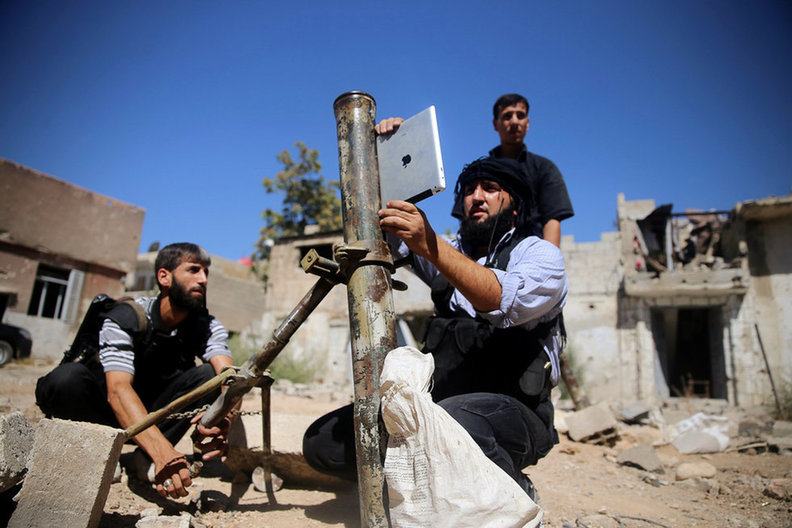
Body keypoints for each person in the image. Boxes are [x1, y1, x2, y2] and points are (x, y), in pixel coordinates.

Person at [302, 157, 568, 499]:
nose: (477, 197)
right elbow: (385, 229)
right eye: (470, 189)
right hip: (438, 405)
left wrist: (430, 244)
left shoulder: (540, 255)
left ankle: (514, 492)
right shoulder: (449, 252)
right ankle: (416, 490)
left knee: (457, 422)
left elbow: (501, 299)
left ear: (514, 205)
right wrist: (385, 150)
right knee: (325, 441)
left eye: (490, 188)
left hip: (512, 413)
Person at [35, 242, 236, 500]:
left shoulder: (207, 325)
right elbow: (118, 390)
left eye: (206, 272)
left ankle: (142, 458)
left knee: (209, 377)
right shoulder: (127, 316)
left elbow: (230, 376)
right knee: (65, 379)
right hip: (104, 411)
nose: (203, 279)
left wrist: (226, 415)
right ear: (164, 276)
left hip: (153, 413)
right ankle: (96, 451)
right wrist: (164, 453)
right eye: (194, 270)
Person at [375, 93, 574, 247]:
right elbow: (465, 223)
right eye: (507, 116)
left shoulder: (544, 169)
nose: (514, 121)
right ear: (496, 124)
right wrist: (395, 142)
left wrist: (547, 268)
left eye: (520, 116)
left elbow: (552, 221)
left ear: (527, 123)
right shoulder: (476, 174)